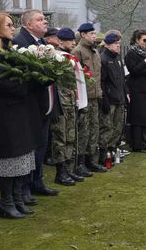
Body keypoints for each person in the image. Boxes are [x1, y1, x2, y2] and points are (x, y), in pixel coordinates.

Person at [0, 13, 39, 219]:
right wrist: (25, 84)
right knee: (9, 157)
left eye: (13, 24)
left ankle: (16, 198)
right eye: (8, 25)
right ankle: (5, 202)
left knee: (21, 156)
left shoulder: (9, 50)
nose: (12, 28)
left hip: (18, 110)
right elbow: (0, 83)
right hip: (6, 113)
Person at [11, 9, 60, 198]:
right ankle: (25, 187)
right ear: (28, 24)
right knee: (30, 148)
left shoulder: (43, 42)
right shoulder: (21, 43)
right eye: (40, 20)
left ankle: (37, 181)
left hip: (45, 104)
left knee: (41, 145)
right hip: (31, 105)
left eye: (45, 19)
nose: (45, 22)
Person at [51, 27, 87, 186]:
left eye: (74, 40)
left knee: (71, 136)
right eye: (70, 40)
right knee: (61, 137)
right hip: (61, 103)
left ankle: (69, 168)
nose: (73, 43)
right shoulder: (56, 57)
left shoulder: (70, 57)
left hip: (71, 102)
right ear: (60, 41)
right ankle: (61, 171)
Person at [72, 23, 108, 172]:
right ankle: (80, 162)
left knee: (94, 128)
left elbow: (98, 75)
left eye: (95, 33)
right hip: (84, 98)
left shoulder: (95, 52)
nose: (94, 36)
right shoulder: (78, 51)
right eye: (91, 33)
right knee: (83, 130)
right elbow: (75, 76)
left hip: (95, 96)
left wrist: (99, 92)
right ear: (83, 35)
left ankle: (90, 160)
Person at [124, 29, 146, 152]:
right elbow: (133, 70)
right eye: (144, 40)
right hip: (137, 89)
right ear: (137, 40)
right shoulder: (131, 54)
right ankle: (138, 144)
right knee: (138, 117)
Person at [99, 33, 127, 161]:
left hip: (119, 98)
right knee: (107, 128)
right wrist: (104, 99)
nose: (118, 47)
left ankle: (113, 150)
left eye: (119, 44)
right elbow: (102, 82)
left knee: (118, 128)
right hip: (109, 100)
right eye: (116, 44)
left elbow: (122, 79)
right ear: (108, 44)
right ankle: (103, 154)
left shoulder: (118, 58)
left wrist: (125, 94)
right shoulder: (103, 59)